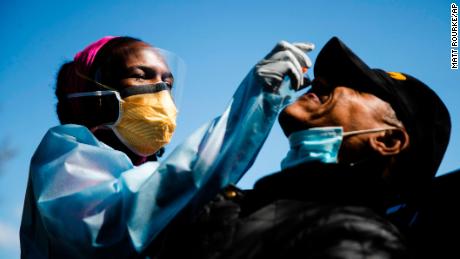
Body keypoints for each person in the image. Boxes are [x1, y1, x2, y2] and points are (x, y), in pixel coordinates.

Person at [147, 37, 451, 259]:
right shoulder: (238, 207)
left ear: (387, 140)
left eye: (358, 85)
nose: (320, 82)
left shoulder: (360, 239)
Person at [19, 36, 316, 258]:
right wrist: (254, 102)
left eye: (168, 83)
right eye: (141, 75)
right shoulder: (65, 155)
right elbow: (119, 220)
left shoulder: (140, 171)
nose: (161, 91)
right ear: (92, 95)